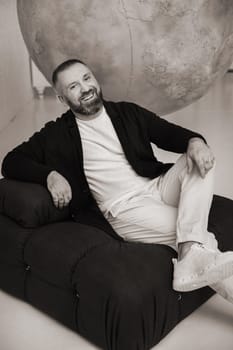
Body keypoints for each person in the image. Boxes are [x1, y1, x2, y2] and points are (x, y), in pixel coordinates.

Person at [2, 59, 233, 302]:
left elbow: (169, 133)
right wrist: (49, 175)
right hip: (124, 208)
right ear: (62, 99)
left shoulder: (126, 112)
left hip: (156, 185)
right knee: (198, 237)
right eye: (73, 87)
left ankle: (188, 257)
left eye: (87, 78)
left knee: (200, 156)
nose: (85, 88)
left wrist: (195, 142)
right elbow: (11, 161)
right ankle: (192, 253)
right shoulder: (57, 134)